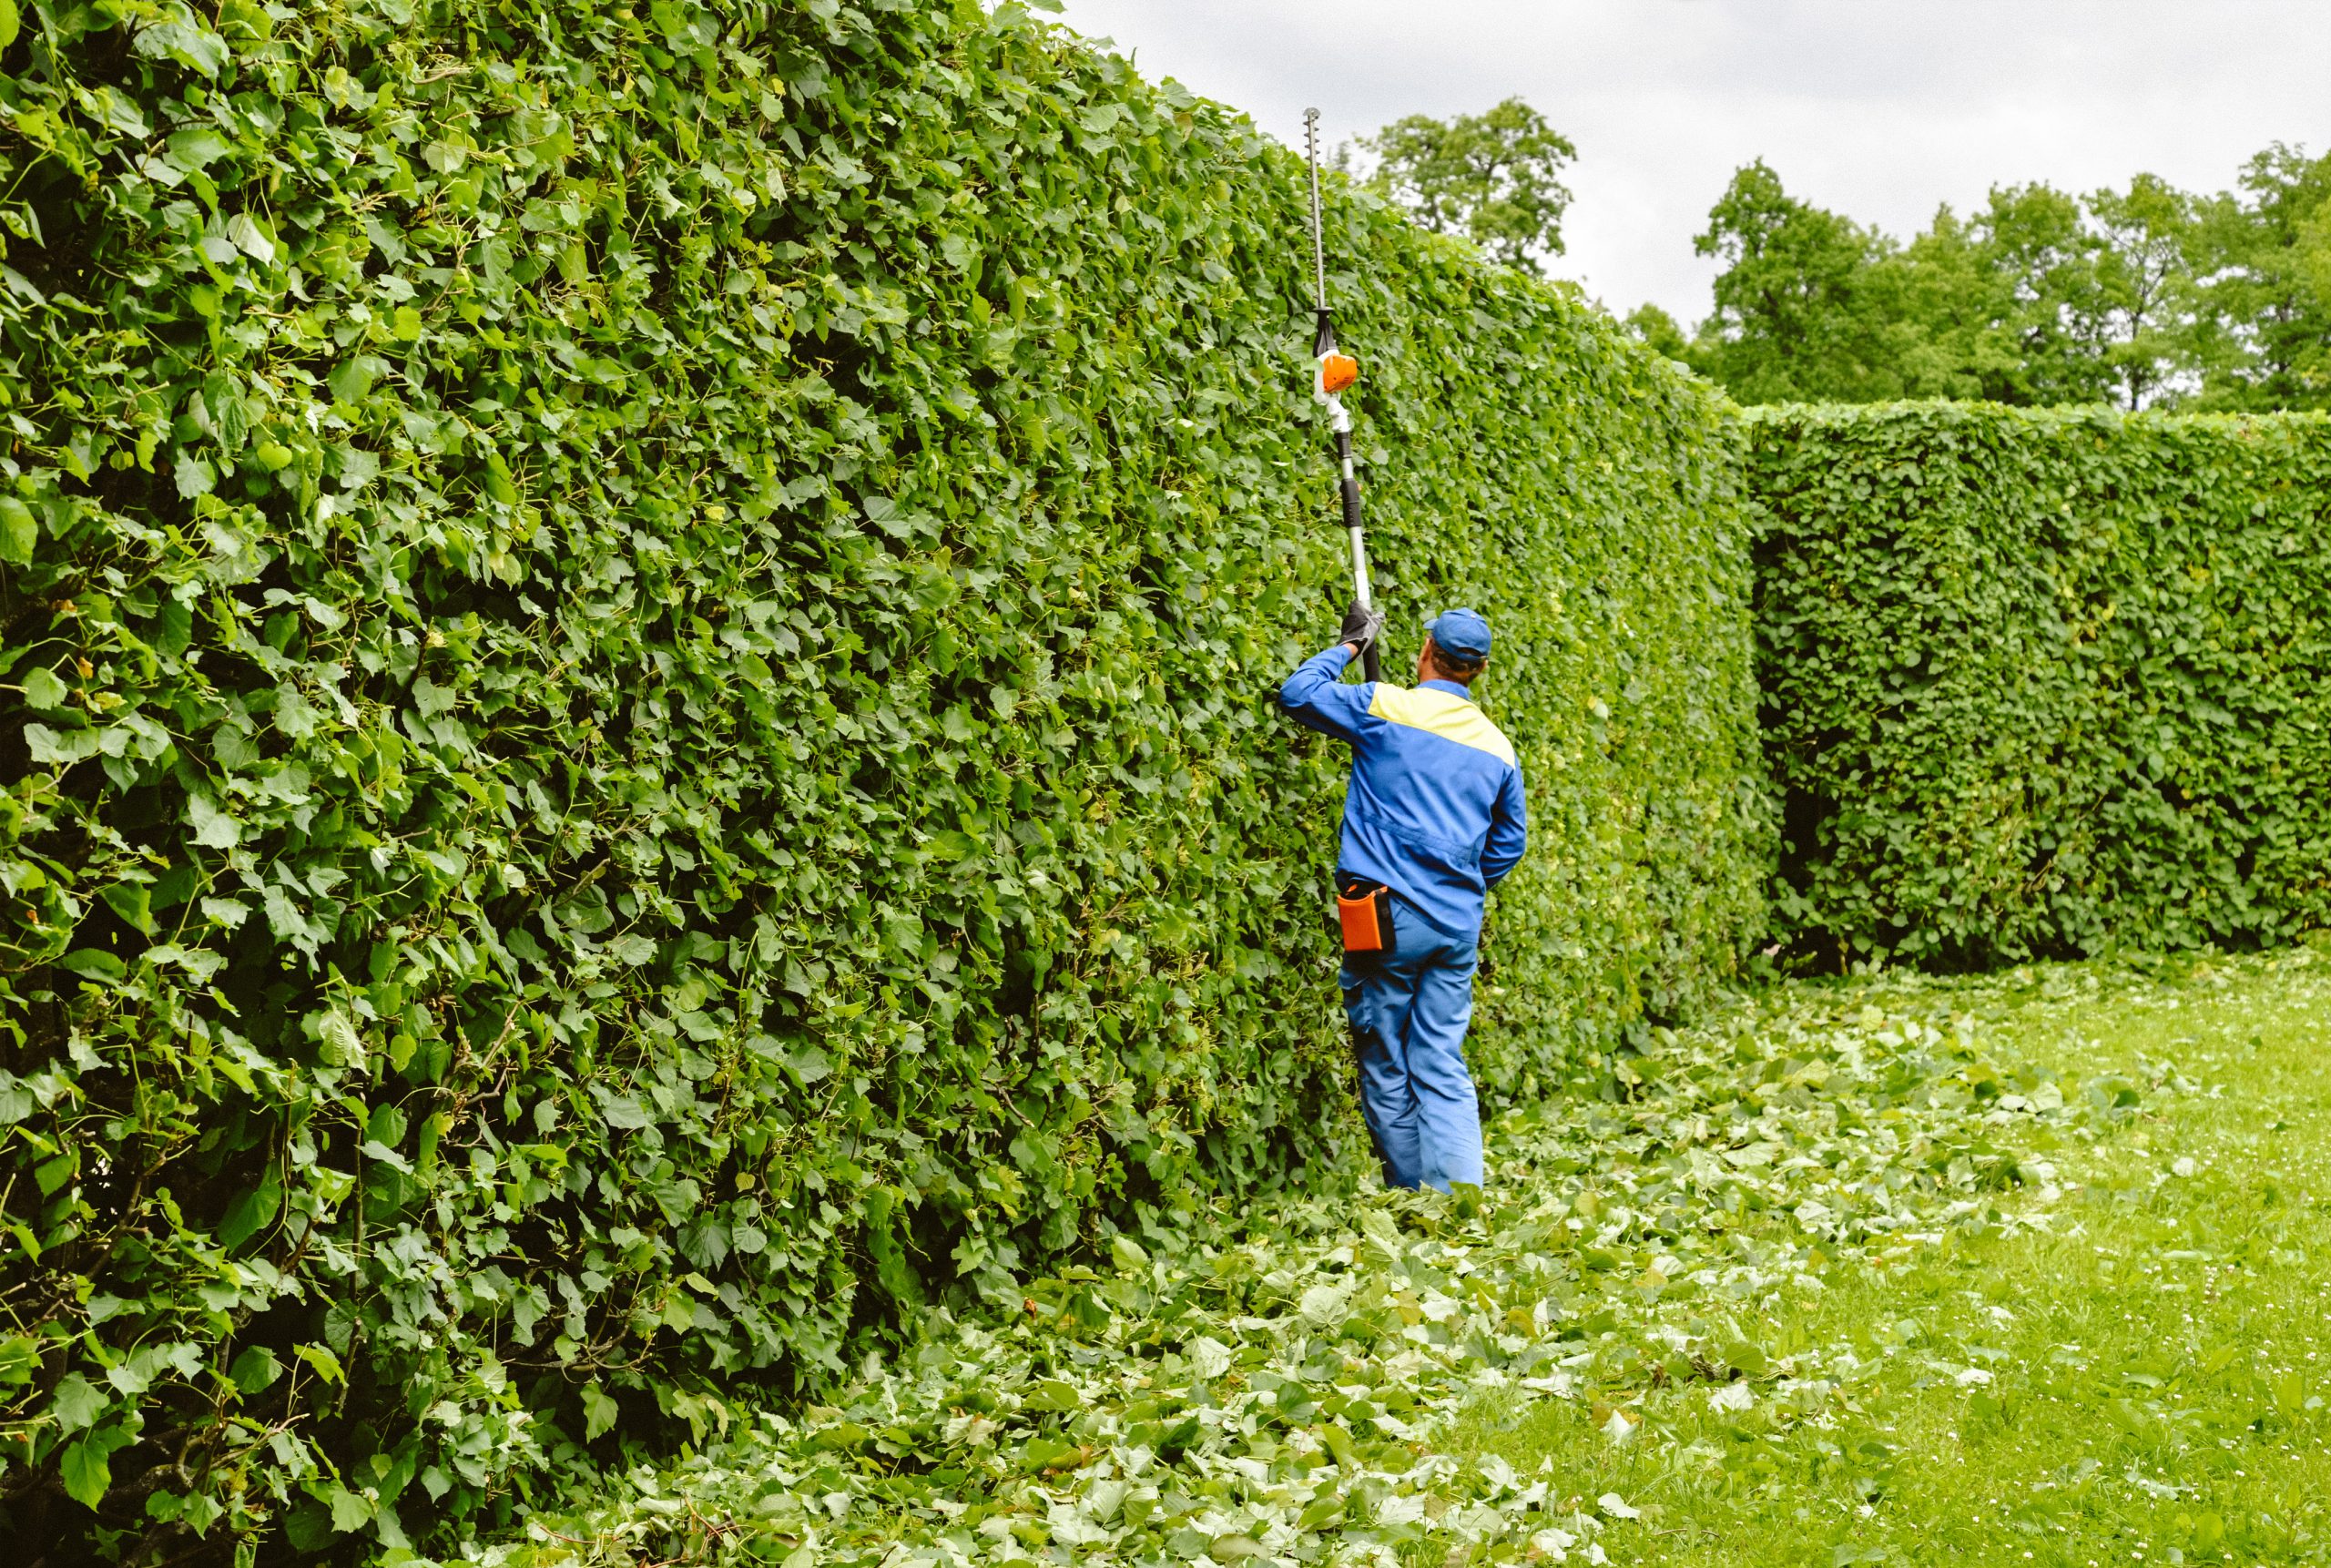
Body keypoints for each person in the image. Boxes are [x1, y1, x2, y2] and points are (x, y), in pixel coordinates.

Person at [1278, 604, 1528, 1192]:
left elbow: (1297, 692)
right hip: (1456, 924)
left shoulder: (1384, 707)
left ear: (1424, 651)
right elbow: (1508, 845)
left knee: (1385, 1057)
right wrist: (1459, 882)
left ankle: (1416, 1199)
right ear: (1480, 670)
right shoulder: (1498, 749)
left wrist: (1350, 644)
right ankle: (1462, 1199)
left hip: (1385, 918)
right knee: (1441, 1058)